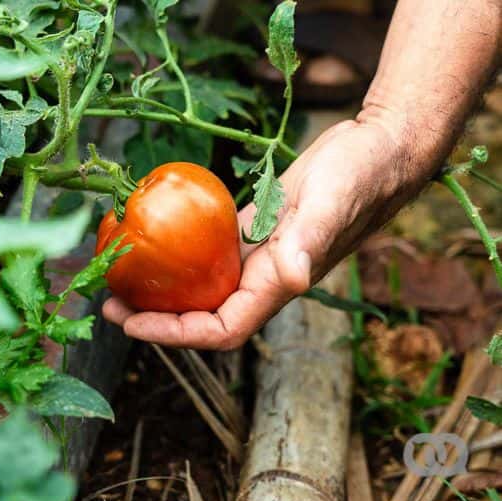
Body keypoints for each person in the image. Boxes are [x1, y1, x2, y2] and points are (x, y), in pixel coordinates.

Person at [103, 0, 501, 349]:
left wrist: (397, 128)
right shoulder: (173, 190)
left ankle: (342, 8)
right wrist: (394, 129)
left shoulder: (160, 201)